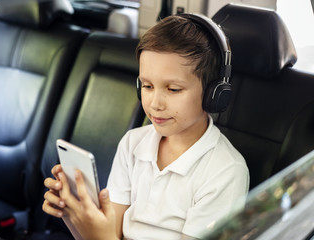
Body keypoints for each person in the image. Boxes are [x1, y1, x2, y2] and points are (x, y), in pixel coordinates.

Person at [42, 13, 249, 240]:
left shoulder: (225, 171)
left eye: (173, 89)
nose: (155, 104)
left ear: (214, 94)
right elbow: (109, 233)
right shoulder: (133, 143)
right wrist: (74, 215)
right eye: (147, 86)